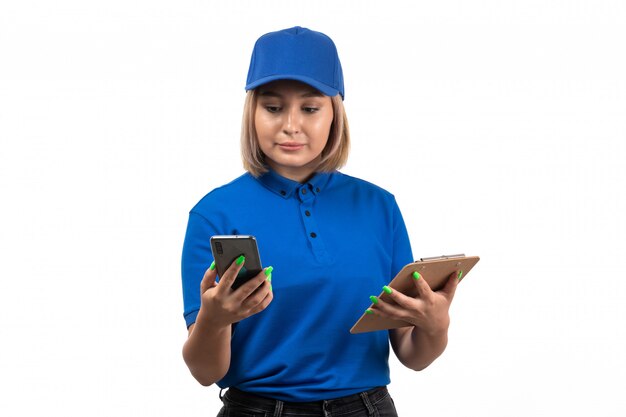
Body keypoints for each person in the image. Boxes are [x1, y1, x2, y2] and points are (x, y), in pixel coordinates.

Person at [181, 26, 460, 417]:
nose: (291, 125)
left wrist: (435, 325)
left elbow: (413, 355)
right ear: (252, 112)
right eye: (273, 107)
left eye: (310, 108)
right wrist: (213, 320)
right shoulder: (215, 213)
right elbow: (206, 371)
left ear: (334, 114)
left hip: (367, 408)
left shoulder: (379, 207)